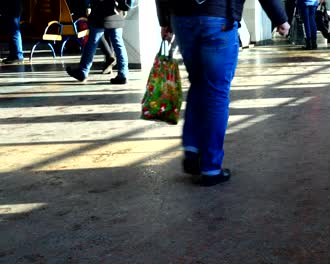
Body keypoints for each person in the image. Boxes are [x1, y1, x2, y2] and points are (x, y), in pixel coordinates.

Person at [155, 0, 290, 186]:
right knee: (216, 92)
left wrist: (164, 20)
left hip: (182, 16)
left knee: (198, 83)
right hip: (219, 17)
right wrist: (279, 18)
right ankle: (211, 167)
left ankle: (192, 148)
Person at [66, 0, 129, 84]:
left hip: (100, 11)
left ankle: (83, 71)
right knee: (119, 44)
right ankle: (123, 74)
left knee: (92, 43)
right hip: (116, 13)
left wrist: (88, 5)